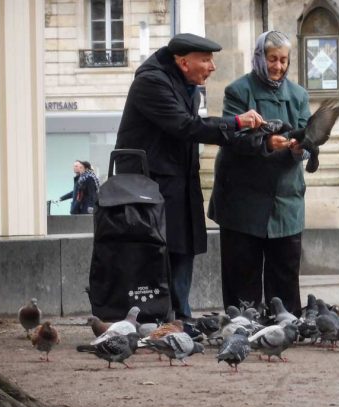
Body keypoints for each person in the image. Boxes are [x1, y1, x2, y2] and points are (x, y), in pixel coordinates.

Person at [114, 33, 266, 321]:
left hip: (179, 180)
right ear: (184, 62)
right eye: (206, 60)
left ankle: (180, 315)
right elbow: (184, 126)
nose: (212, 67)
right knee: (155, 252)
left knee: (183, 248)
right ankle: (153, 317)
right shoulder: (151, 82)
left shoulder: (189, 86)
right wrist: (235, 122)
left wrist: (255, 138)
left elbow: (193, 130)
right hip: (148, 184)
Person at [208, 30, 311, 317]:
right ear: (259, 58)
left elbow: (308, 135)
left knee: (285, 274)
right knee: (243, 272)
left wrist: (299, 147)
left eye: (283, 60)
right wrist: (265, 142)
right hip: (243, 199)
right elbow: (232, 136)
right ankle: (242, 325)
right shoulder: (238, 91)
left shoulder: (299, 95)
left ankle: (285, 327)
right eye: (272, 59)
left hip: (286, 199)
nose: (278, 66)